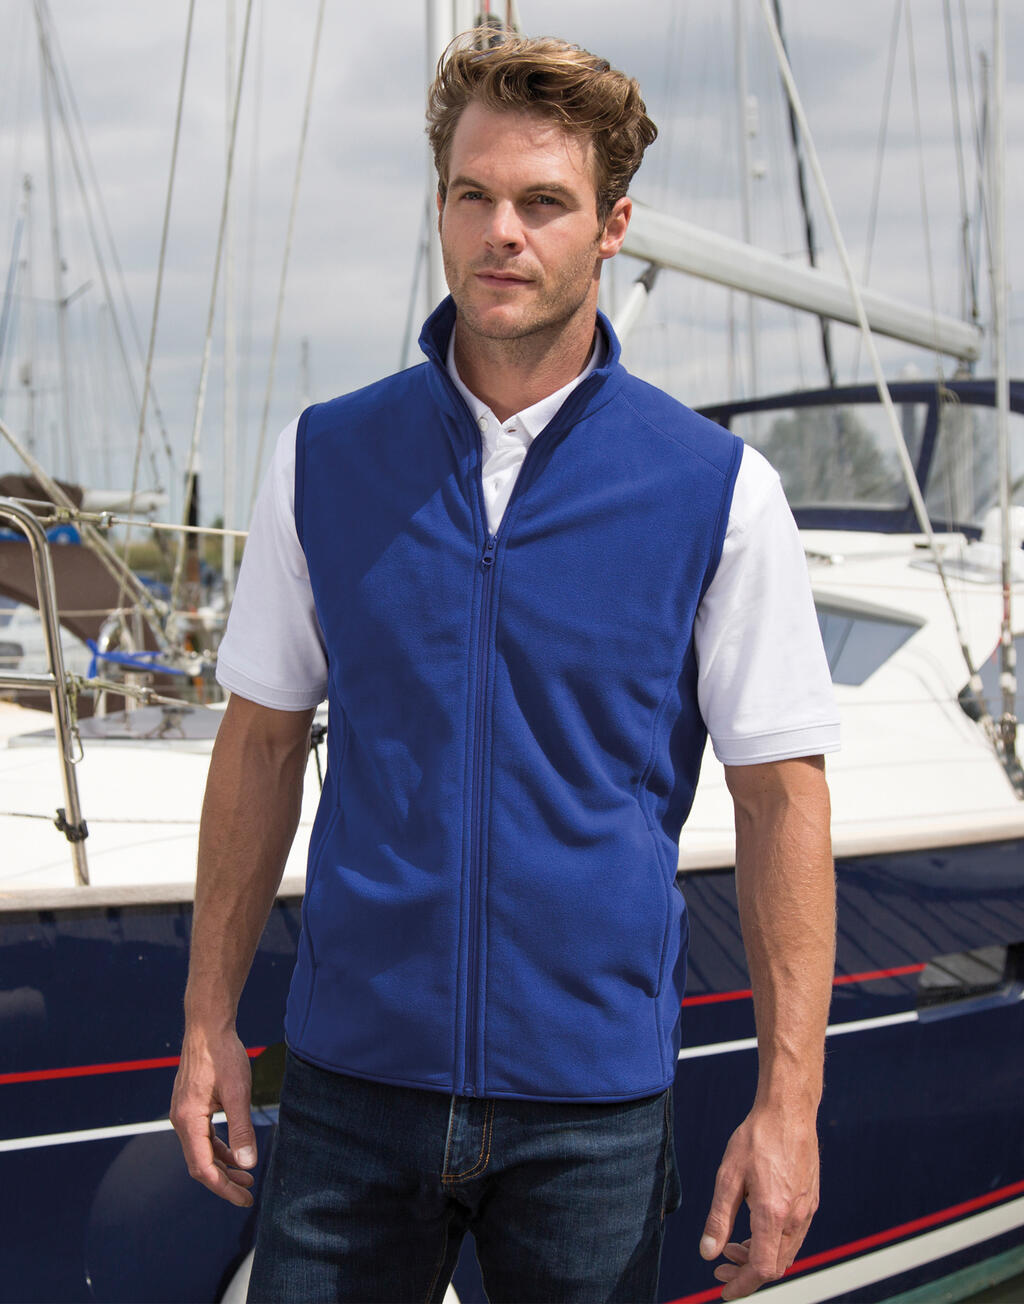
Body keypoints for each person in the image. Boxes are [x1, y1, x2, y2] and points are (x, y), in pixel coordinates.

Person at [171, 30, 838, 1304]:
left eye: (542, 202)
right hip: (352, 1087)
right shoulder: (325, 458)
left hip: (590, 1112)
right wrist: (208, 1019)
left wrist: (787, 1104)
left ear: (612, 225)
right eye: (472, 195)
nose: (501, 233)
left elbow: (781, 799)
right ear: (438, 207)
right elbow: (259, 743)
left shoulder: (715, 490)